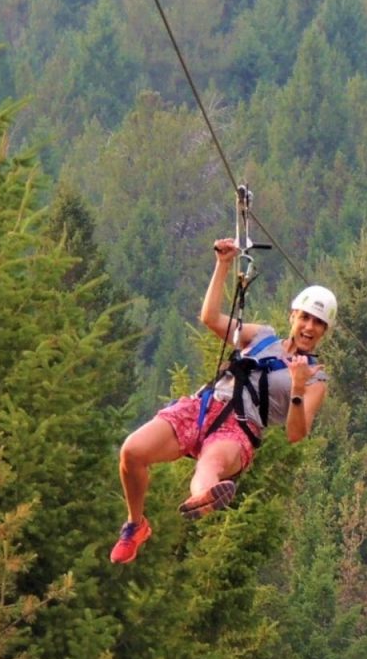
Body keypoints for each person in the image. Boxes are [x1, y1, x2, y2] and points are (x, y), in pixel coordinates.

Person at [111, 237, 334, 564]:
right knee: (132, 451)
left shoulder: (315, 377)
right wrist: (223, 265)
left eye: (318, 323)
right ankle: (135, 525)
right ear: (293, 316)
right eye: (305, 318)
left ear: (325, 331)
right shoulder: (262, 336)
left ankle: (203, 497)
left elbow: (296, 434)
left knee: (210, 466)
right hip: (203, 406)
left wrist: (297, 389)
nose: (309, 327)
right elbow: (211, 318)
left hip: (239, 431)